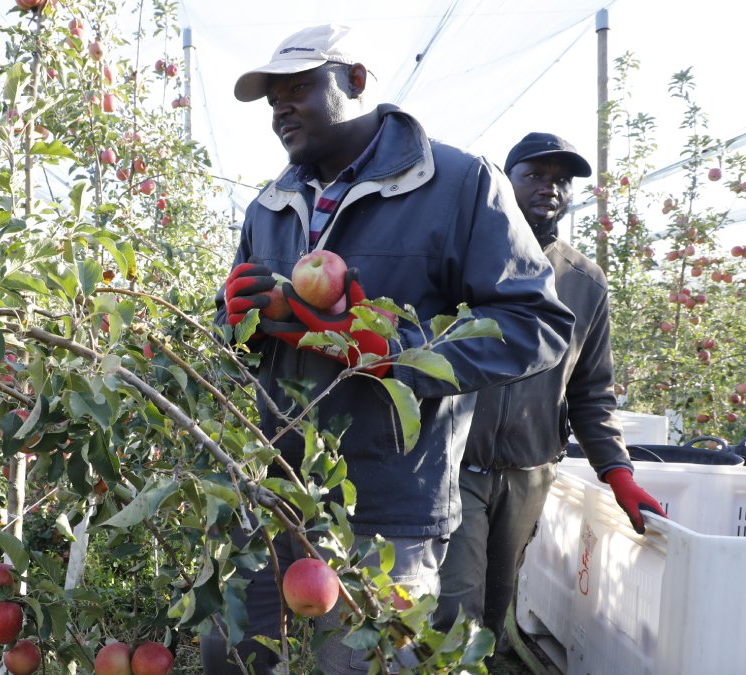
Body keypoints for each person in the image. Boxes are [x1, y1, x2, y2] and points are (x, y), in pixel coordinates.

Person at [208, 25, 575, 675]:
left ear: (356, 80)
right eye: (272, 98)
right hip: (267, 494)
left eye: (297, 87)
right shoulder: (270, 205)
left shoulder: (459, 185)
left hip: (385, 509)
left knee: (358, 662)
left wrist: (395, 349)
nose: (280, 108)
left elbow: (536, 322)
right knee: (234, 656)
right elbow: (242, 346)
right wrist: (234, 324)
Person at [434, 132, 666, 644]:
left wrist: (617, 472)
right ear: (504, 180)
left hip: (529, 472)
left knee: (494, 610)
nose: (550, 188)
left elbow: (591, 392)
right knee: (453, 607)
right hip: (456, 463)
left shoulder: (585, 281)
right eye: (535, 175)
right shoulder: (465, 256)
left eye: (561, 180)